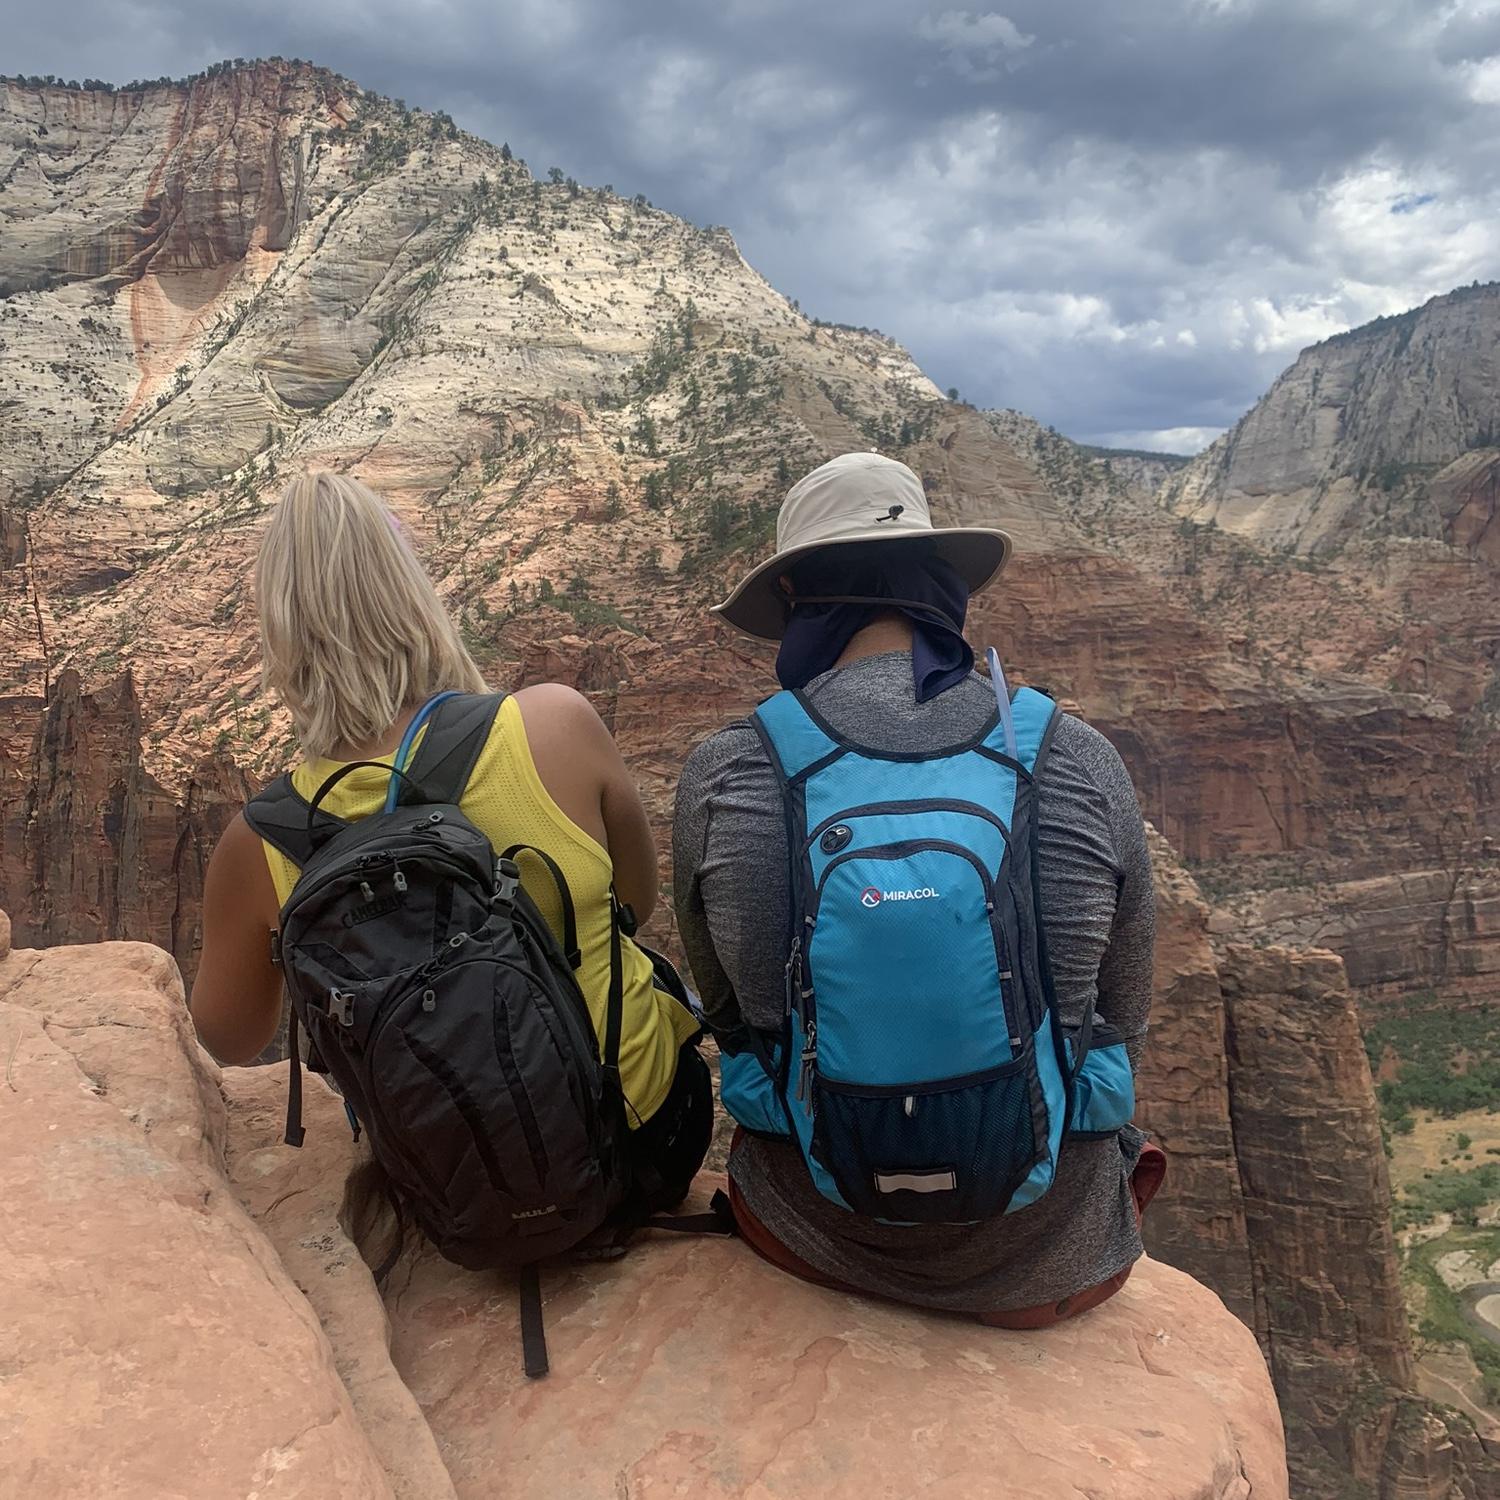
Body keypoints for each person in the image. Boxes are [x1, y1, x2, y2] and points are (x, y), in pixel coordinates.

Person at [673, 451, 1161, 1325]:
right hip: (1051, 1258)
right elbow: (1123, 1012)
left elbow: (733, 1017)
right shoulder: (1074, 756)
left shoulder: (730, 771)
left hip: (809, 1235)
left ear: (793, 598)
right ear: (938, 581)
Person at [192, 471, 709, 1212]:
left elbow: (231, 1038)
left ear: (280, 634)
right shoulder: (556, 723)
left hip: (448, 1191)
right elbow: (637, 901)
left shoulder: (260, 840)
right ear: (414, 596)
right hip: (646, 1145)